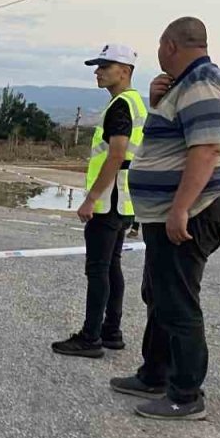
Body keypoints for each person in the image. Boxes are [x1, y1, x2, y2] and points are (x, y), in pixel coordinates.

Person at [110, 17, 220, 421]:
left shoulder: (201, 83)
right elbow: (173, 140)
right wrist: (158, 103)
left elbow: (205, 151)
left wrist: (180, 207)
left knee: (179, 302)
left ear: (170, 45)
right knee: (160, 295)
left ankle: (185, 394)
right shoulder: (185, 86)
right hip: (172, 211)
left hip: (192, 212)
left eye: (159, 47)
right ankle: (155, 373)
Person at [53, 44, 147, 359]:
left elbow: (117, 154)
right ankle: (111, 330)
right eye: (98, 66)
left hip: (108, 201)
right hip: (124, 202)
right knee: (112, 267)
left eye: (105, 66)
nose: (98, 72)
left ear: (125, 70)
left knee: (98, 269)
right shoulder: (135, 103)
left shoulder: (121, 106)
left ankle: (91, 336)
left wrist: (91, 198)